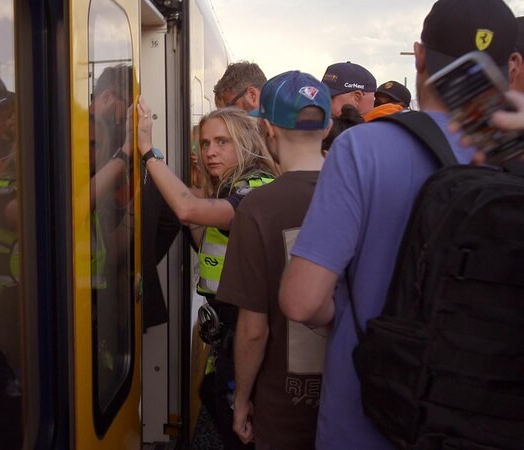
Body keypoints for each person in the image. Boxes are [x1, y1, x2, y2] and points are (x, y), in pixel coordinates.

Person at [278, 1, 517, 449]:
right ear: (512, 65)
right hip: (489, 423)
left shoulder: (362, 148)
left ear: (419, 56)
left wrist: (349, 314)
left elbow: (301, 301)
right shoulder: (516, 156)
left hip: (367, 416)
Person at [137, 99, 277, 449]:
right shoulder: (229, 190)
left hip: (247, 330)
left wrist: (147, 152)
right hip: (227, 331)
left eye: (222, 142)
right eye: (204, 143)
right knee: (212, 398)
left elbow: (188, 207)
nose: (209, 152)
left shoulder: (254, 189)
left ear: (245, 142)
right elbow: (199, 231)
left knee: (236, 424)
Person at [216, 70, 330, 450]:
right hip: (351, 401)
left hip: (285, 411)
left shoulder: (258, 208)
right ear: (327, 127)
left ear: (267, 128)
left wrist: (242, 401)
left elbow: (253, 329)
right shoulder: (361, 193)